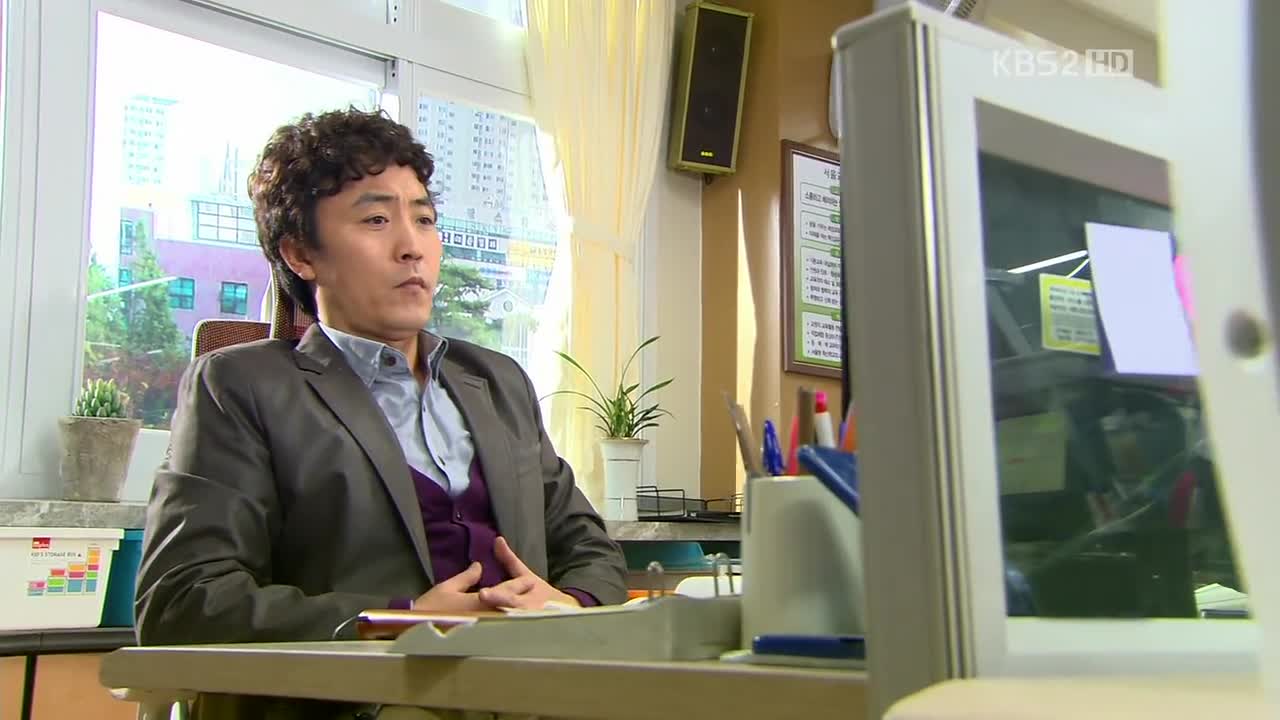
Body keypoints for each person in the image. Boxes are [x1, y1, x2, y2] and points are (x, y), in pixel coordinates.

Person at [134, 107, 627, 645]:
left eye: (424, 219)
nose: (412, 246)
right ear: (300, 254)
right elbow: (181, 601)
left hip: (530, 675)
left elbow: (590, 549)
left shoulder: (497, 380)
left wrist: (567, 604)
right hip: (365, 685)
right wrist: (397, 618)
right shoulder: (241, 386)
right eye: (376, 220)